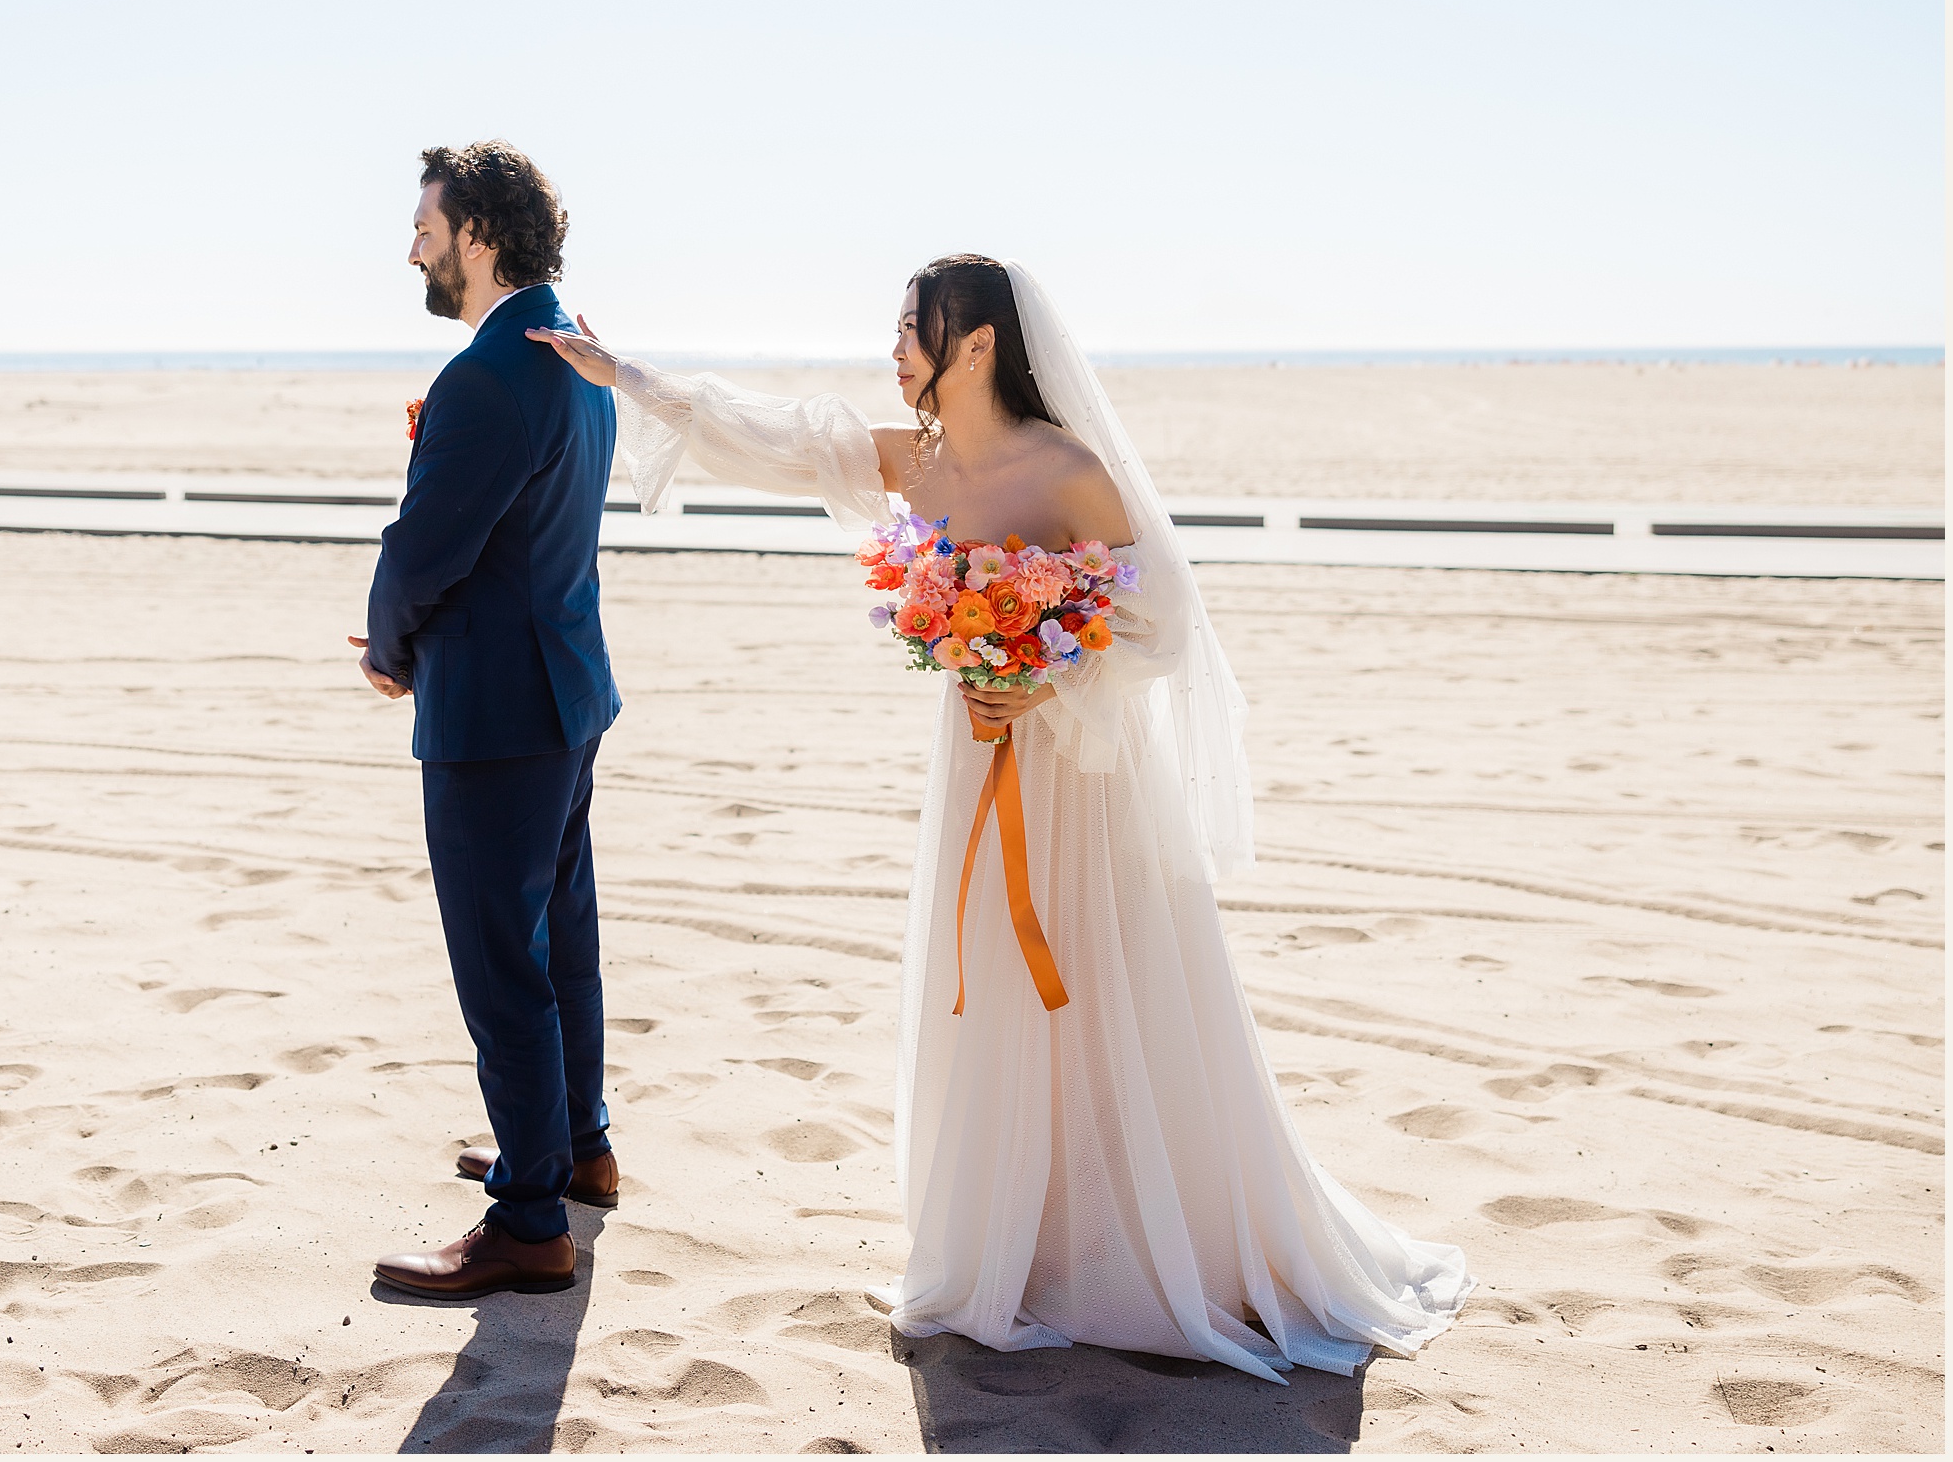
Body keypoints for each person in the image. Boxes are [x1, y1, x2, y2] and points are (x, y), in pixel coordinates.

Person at [528, 255, 1470, 1380]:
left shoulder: (1068, 468)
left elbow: (1164, 623)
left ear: (976, 345)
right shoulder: (918, 462)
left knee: (1100, 979)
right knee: (989, 977)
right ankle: (1024, 1250)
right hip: (976, 767)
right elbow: (777, 437)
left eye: (912, 328)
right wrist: (619, 370)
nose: (895, 347)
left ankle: (1148, 1242)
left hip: (1081, 778)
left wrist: (1047, 675)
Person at [354, 141, 622, 1300]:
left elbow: (423, 550)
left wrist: (389, 651)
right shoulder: (577, 350)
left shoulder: (491, 374)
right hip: (565, 689)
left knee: (500, 961)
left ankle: (526, 1220)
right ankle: (575, 1149)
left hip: (495, 711)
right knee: (561, 936)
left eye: (426, 222)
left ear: (479, 234)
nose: (411, 242)